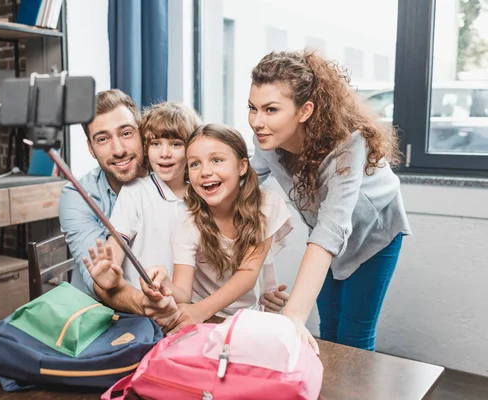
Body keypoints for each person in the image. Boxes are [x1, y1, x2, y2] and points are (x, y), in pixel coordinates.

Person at [248, 50, 411, 353]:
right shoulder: (269, 141)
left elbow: (330, 229)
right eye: (252, 108)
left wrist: (294, 316)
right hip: (326, 233)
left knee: (354, 337)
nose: (257, 122)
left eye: (270, 109)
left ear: (305, 110)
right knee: (329, 329)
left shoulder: (349, 145)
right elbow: (243, 181)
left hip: (374, 237)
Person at [136, 124, 294, 334]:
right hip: (206, 321)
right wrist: (166, 284)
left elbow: (248, 273)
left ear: (242, 166)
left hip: (247, 318)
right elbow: (183, 292)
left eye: (216, 160)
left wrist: (198, 311)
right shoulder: (186, 221)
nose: (205, 172)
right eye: (194, 164)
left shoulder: (266, 204)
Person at [58, 89, 177, 328]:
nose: (119, 149)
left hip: (169, 311)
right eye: (102, 139)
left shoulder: (170, 175)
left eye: (126, 133)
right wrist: (148, 304)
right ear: (91, 148)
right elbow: (101, 283)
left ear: (142, 133)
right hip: (100, 322)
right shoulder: (77, 196)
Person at [82, 102, 201, 293]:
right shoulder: (135, 192)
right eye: (155, 144)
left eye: (176, 144)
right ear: (146, 147)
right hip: (143, 302)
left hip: (185, 302)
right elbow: (117, 241)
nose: (165, 154)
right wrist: (109, 268)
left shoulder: (200, 194)